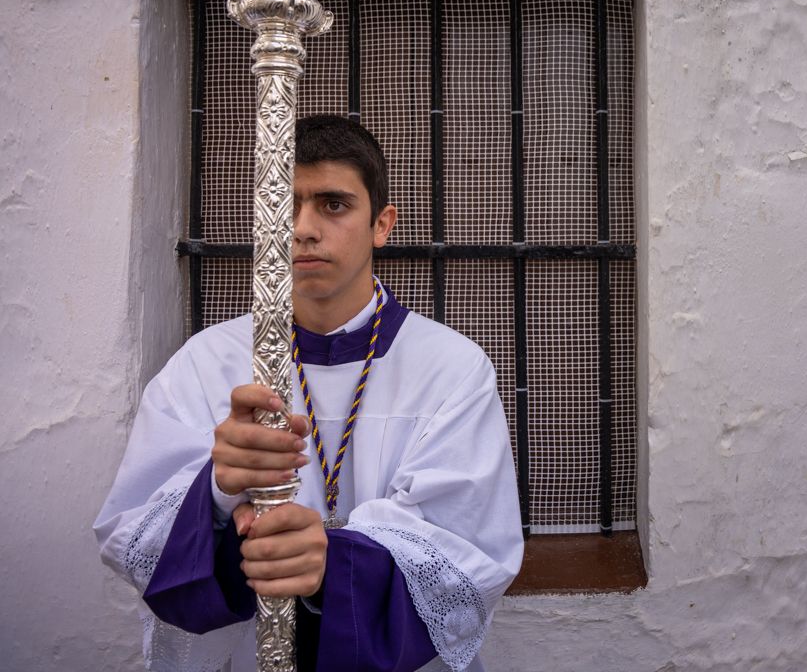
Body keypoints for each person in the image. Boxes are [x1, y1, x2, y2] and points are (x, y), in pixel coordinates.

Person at [95, 115, 523, 672]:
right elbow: (130, 535)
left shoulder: (452, 369)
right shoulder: (205, 363)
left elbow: (473, 552)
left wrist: (332, 562)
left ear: (382, 224)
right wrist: (219, 493)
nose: (303, 228)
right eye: (285, 204)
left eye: (334, 204)